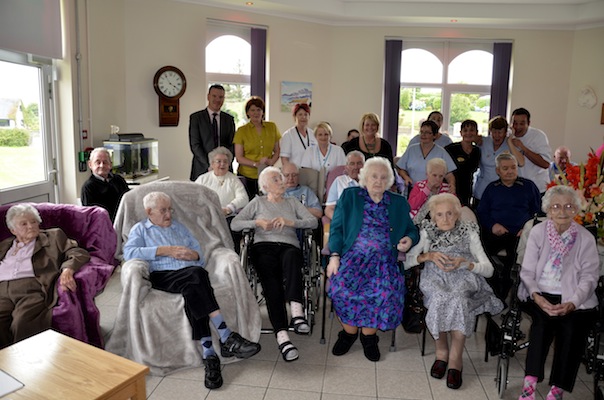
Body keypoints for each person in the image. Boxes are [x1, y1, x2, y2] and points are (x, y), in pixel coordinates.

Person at [123, 191, 261, 389]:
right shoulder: (141, 229)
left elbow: (199, 253)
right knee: (198, 276)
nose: (169, 214)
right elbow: (129, 252)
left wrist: (193, 255)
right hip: (163, 275)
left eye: (170, 209)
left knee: (193, 288)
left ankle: (209, 355)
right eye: (163, 210)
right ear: (149, 212)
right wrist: (164, 250)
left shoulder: (179, 227)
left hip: (188, 273)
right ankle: (225, 335)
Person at [406, 193, 504, 389]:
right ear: (432, 217)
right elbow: (408, 261)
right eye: (440, 214)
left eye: (450, 213)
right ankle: (441, 352)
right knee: (439, 298)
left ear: (457, 214)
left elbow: (489, 269)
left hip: (464, 277)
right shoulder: (427, 232)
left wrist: (468, 264)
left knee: (458, 299)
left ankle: (455, 359)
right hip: (435, 278)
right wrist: (428, 256)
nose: (445, 219)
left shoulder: (469, 232)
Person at [326, 157, 419, 362]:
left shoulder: (398, 203)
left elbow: (413, 230)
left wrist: (408, 240)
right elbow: (337, 229)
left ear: (389, 181)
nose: (378, 181)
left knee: (383, 293)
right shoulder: (350, 197)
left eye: (383, 177)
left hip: (384, 261)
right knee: (340, 288)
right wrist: (334, 256)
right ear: (365, 178)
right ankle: (349, 333)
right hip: (352, 258)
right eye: (374, 176)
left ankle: (369, 337)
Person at [517, 185, 598, 400]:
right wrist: (537, 297)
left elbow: (590, 277)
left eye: (568, 206)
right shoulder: (537, 232)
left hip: (575, 298)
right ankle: (529, 385)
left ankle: (557, 389)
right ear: (548, 210)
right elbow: (526, 271)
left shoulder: (585, 238)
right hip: (540, 293)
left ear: (576, 210)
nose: (562, 212)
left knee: (571, 330)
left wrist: (572, 302)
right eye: (556, 207)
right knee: (541, 326)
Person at [231, 167, 317, 362]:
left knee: (293, 258)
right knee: (272, 285)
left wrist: (290, 222)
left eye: (281, 177)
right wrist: (258, 223)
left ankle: (297, 312)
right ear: (265, 186)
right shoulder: (257, 202)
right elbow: (235, 224)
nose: (282, 180)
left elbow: (313, 222)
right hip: (263, 248)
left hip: (288, 246)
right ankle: (282, 336)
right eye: (276, 179)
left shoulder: (293, 202)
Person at [0, 204, 90, 348]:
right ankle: (5, 366)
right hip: (1, 291)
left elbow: (78, 252)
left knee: (22, 322)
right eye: (24, 223)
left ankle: (27, 363)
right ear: (13, 230)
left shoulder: (54, 236)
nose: (30, 226)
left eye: (34, 221)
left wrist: (68, 269)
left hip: (31, 288)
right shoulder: (5, 245)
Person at [477, 153, 541, 302]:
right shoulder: (492, 188)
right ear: (498, 171)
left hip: (520, 233)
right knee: (481, 256)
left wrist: (527, 228)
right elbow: (482, 212)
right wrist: (492, 225)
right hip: (496, 232)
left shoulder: (528, 186)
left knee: (514, 262)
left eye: (513, 167)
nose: (510, 171)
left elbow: (537, 212)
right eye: (505, 168)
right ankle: (492, 285)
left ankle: (504, 294)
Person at [233, 96, 281, 199]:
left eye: (258, 110)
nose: (256, 113)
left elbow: (277, 150)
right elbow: (239, 157)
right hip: (247, 176)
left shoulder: (272, 127)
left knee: (269, 203)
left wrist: (271, 161)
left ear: (263, 112)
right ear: (248, 113)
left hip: (267, 174)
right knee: (249, 205)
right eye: (252, 110)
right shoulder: (242, 131)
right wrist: (256, 164)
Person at [472, 116, 524, 208]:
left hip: (502, 191)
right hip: (481, 190)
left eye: (500, 132)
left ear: (505, 132)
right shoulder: (483, 141)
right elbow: (468, 138)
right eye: (494, 132)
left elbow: (521, 162)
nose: (496, 135)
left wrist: (510, 142)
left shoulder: (510, 144)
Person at [189, 84, 236, 181]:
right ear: (208, 96)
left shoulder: (229, 119)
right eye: (214, 96)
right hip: (202, 168)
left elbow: (232, 144)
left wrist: (223, 163)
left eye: (221, 97)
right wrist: (211, 164)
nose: (217, 100)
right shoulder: (196, 118)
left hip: (224, 169)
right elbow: (195, 145)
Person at [397, 120, 456, 192]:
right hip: (413, 189)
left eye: (427, 133)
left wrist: (452, 185)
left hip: (434, 191)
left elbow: (449, 174)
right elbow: (401, 169)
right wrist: (406, 177)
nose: (423, 135)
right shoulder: (412, 149)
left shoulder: (441, 152)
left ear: (435, 135)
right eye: (421, 132)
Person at [195, 147, 249, 217]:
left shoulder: (234, 180)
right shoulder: (203, 179)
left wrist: (229, 208)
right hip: (206, 215)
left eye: (225, 161)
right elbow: (193, 196)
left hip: (228, 216)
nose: (222, 164)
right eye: (219, 161)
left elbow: (243, 198)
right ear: (212, 164)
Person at [509, 107, 552, 194]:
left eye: (522, 123)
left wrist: (523, 148)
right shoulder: (508, 136)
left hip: (538, 188)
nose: (517, 127)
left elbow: (545, 164)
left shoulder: (538, 136)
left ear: (528, 123)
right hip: (516, 188)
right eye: (515, 123)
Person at [81, 147, 130, 221]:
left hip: (123, 221)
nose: (101, 165)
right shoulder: (88, 187)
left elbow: (128, 199)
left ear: (110, 164)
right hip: (103, 225)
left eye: (105, 162)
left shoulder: (118, 179)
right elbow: (90, 215)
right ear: (90, 164)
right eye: (98, 162)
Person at [445, 120, 480, 207]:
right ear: (461, 133)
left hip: (467, 190)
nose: (468, 133)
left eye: (471, 130)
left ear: (476, 132)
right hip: (451, 189)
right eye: (465, 130)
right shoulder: (451, 149)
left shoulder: (477, 151)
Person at [407, 157, 451, 223]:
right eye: (434, 175)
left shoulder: (447, 189)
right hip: (417, 221)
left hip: (440, 222)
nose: (437, 179)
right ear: (427, 174)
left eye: (441, 176)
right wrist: (427, 189)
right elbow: (411, 206)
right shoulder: (419, 186)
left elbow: (453, 207)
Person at [324, 151, 365, 219]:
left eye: (359, 163)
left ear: (364, 166)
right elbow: (329, 209)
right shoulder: (339, 181)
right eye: (352, 164)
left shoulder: (371, 182)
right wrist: (340, 220)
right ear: (346, 167)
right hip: (345, 220)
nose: (355, 167)